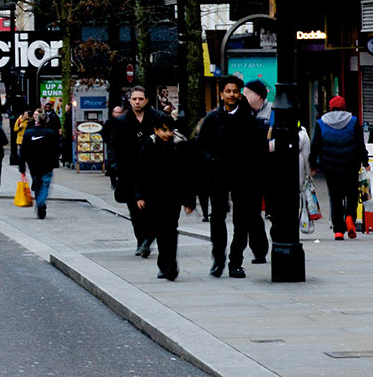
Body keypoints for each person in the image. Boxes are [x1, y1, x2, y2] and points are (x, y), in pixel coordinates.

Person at [198, 74, 268, 278]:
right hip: (218, 175)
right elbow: (201, 146)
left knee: (242, 221)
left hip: (244, 176)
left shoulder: (250, 119)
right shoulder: (212, 118)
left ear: (240, 95)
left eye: (235, 91)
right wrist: (211, 160)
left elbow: (260, 148)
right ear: (221, 94)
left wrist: (256, 172)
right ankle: (218, 259)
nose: (231, 95)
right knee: (217, 218)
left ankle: (236, 261)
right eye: (227, 91)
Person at [106, 86, 170, 257]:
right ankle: (142, 240)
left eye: (140, 99)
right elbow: (113, 144)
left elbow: (167, 139)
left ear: (146, 100)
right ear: (130, 100)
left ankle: (148, 239)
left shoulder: (158, 117)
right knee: (135, 210)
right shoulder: (122, 121)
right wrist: (113, 165)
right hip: (129, 170)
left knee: (154, 208)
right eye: (134, 99)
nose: (137, 102)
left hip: (154, 170)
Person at [134, 114, 195, 280]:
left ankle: (171, 263)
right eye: (164, 130)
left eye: (170, 131)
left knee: (171, 229)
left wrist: (189, 200)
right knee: (161, 231)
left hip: (173, 196)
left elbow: (187, 175)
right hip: (154, 196)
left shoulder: (179, 146)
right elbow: (140, 173)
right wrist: (139, 196)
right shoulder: (148, 145)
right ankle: (164, 263)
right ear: (156, 130)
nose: (167, 134)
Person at [311, 95, 368, 240]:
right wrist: (365, 162)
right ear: (344, 106)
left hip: (331, 168)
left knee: (335, 197)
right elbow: (360, 144)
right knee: (352, 195)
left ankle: (338, 229)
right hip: (351, 166)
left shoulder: (321, 122)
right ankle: (350, 217)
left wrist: (313, 164)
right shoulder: (353, 121)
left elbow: (315, 145)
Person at [21, 109, 62, 219]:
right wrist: (55, 161)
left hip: (33, 165)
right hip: (47, 165)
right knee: (45, 185)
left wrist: (22, 165)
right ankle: (41, 202)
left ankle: (39, 201)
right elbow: (57, 149)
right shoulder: (50, 134)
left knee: (37, 183)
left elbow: (23, 150)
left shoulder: (29, 133)